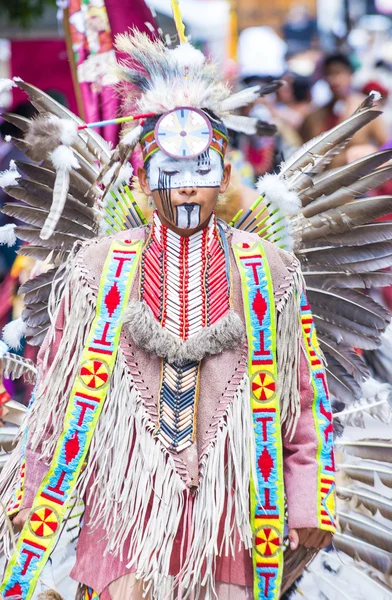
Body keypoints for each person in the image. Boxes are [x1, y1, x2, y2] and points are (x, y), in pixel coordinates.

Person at [0, 31, 339, 600]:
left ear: (225, 180)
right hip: (123, 525)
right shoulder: (100, 266)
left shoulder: (270, 270)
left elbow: (306, 402)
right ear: (140, 181)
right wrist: (33, 494)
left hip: (230, 526)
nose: (186, 191)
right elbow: (57, 401)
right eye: (170, 176)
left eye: (201, 174)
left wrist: (306, 501)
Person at [300, 52, 388, 164]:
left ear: (350, 75)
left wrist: (370, 151)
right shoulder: (314, 116)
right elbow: (300, 154)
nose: (334, 80)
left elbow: (386, 148)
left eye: (338, 73)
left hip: (358, 177)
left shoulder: (368, 110)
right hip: (323, 178)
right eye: (329, 74)